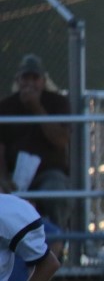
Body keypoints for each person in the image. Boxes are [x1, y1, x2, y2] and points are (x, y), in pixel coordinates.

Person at [0, 54, 72, 230]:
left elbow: (61, 140)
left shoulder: (57, 103)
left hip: (48, 173)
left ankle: (58, 239)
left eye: (35, 78)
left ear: (43, 80)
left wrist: (37, 108)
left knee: (56, 191)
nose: (30, 83)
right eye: (26, 78)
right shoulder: (5, 106)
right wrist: (3, 178)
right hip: (13, 176)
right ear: (18, 80)